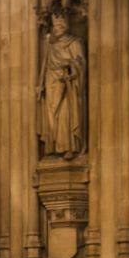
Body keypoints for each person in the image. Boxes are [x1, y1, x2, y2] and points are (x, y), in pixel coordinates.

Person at [37, 10, 86, 159]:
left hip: (67, 84)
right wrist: (41, 84)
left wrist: (72, 70)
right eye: (55, 26)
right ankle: (52, 146)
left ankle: (68, 147)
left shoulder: (74, 42)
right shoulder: (50, 45)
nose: (57, 28)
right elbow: (45, 65)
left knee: (65, 113)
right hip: (51, 82)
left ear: (66, 26)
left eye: (60, 25)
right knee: (51, 114)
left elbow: (80, 62)